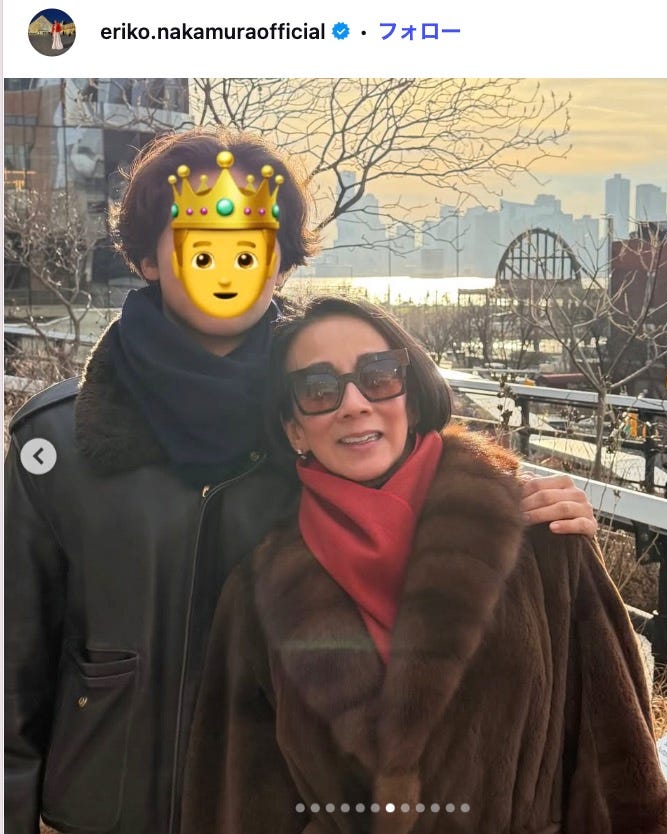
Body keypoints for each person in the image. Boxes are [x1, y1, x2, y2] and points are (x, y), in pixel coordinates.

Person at [5, 128, 598, 834]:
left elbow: (425, 483)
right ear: (145, 258)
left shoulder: (327, 417)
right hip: (106, 814)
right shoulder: (60, 446)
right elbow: (12, 675)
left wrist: (513, 502)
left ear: (282, 264)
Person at [181, 296, 667, 834]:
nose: (354, 404)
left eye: (378, 376)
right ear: (293, 429)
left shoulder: (539, 531)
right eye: (319, 389)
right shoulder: (258, 595)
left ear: (412, 398)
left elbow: (621, 764)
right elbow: (236, 797)